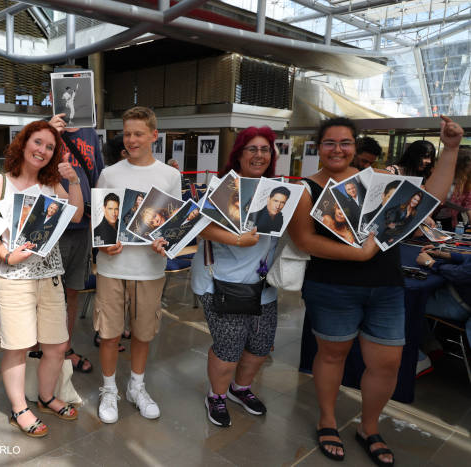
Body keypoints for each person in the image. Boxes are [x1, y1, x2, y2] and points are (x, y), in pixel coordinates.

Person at [288, 115, 462, 464]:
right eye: (329, 143)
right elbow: (304, 240)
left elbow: (430, 198)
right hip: (332, 287)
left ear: (356, 147)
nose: (337, 149)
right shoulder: (306, 189)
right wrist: (359, 253)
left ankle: (370, 427)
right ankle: (327, 420)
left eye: (345, 143)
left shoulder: (380, 181)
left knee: (387, 363)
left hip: (386, 286)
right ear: (318, 148)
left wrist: (452, 148)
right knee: (332, 355)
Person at [0, 119, 84, 438]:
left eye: (50, 147)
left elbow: (77, 216)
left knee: (57, 346)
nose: (42, 150)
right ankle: (19, 408)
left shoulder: (51, 184)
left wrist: (74, 181)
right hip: (13, 278)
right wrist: (5, 255)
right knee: (17, 347)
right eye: (37, 142)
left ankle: (46, 396)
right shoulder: (0, 182)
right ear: (24, 144)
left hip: (50, 276)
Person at [95, 106, 181, 424]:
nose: (131, 139)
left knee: (144, 333)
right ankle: (108, 389)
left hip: (149, 268)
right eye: (127, 133)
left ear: (153, 136)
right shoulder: (110, 174)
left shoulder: (170, 176)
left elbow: (171, 226)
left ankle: (136, 387)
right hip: (112, 266)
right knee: (109, 334)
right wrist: (104, 241)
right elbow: (101, 222)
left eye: (138, 134)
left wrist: (164, 242)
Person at [187, 126, 274, 428]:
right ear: (239, 153)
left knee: (261, 344)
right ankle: (217, 395)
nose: (259, 155)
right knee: (229, 346)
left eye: (265, 149)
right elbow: (197, 226)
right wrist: (238, 239)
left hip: (263, 282)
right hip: (223, 281)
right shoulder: (227, 186)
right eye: (252, 148)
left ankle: (241, 389)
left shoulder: (276, 189)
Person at [48, 113, 105, 373]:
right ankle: (46, 351)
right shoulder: (44, 131)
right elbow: (26, 166)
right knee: (48, 294)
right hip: (51, 225)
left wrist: (103, 226)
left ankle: (65, 348)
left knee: (72, 291)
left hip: (81, 225)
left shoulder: (90, 135)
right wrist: (49, 133)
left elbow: (98, 178)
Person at [416, 245, 471, 346]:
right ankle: (428, 343)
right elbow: (468, 258)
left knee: (407, 302)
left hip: (460, 305)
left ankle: (414, 351)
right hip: (459, 294)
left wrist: (431, 263)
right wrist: (440, 254)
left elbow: (460, 275)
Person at [435, 148, 471, 231]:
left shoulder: (466, 182)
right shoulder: (440, 178)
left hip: (450, 221)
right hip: (433, 218)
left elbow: (468, 205)